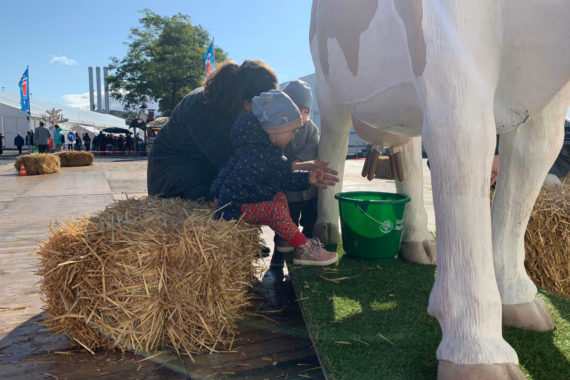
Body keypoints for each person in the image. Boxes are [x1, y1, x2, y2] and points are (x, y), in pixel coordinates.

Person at [211, 90, 339, 266]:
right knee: (274, 210)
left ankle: (287, 238)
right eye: (291, 131)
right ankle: (302, 248)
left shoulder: (257, 148)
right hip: (232, 209)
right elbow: (283, 178)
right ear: (276, 128)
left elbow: (278, 173)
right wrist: (307, 179)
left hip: (232, 202)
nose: (293, 135)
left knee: (279, 197)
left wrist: (306, 174)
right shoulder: (261, 155)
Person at [147, 59, 279, 200]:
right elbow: (237, 162)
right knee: (226, 200)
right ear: (248, 102)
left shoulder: (230, 105)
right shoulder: (202, 108)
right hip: (171, 178)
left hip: (200, 168)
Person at [269, 79, 320, 268]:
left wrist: (298, 162)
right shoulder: (278, 128)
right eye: (297, 110)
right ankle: (278, 257)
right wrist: (292, 165)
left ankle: (306, 249)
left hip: (309, 189)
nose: (302, 115)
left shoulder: (311, 129)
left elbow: (313, 147)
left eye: (305, 111)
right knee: (284, 225)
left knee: (310, 221)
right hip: (287, 192)